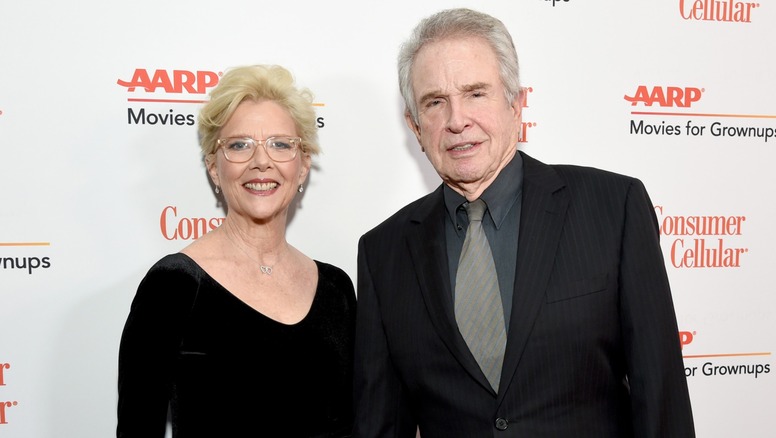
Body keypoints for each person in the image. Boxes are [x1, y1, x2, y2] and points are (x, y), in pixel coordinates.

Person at [353, 8, 695, 437]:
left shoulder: (613, 208)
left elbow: (662, 401)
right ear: (416, 127)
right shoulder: (383, 252)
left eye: (476, 93)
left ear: (515, 105)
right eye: (435, 102)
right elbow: (381, 424)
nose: (457, 120)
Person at [117, 64, 355, 437]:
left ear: (303, 165)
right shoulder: (175, 285)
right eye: (240, 145)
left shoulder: (336, 288)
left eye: (280, 144)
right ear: (214, 167)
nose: (262, 161)